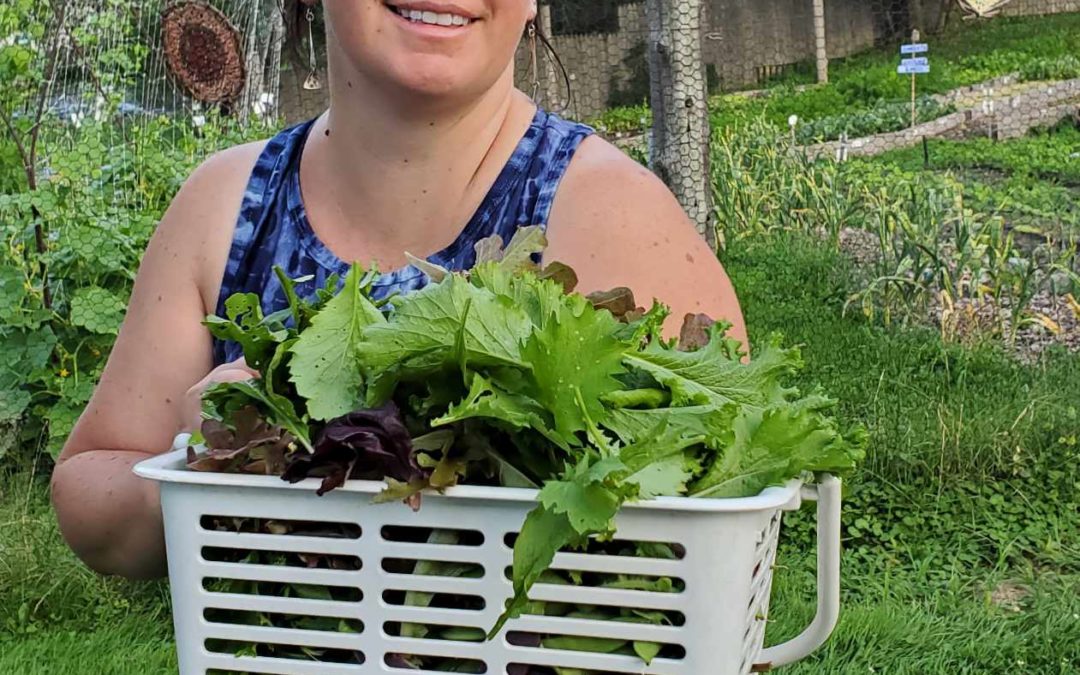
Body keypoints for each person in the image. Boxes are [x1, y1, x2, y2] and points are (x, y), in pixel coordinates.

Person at [50, 0, 746, 579]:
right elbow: (88, 486)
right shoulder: (226, 208)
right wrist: (189, 472)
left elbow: (720, 542)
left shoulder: (612, 217)